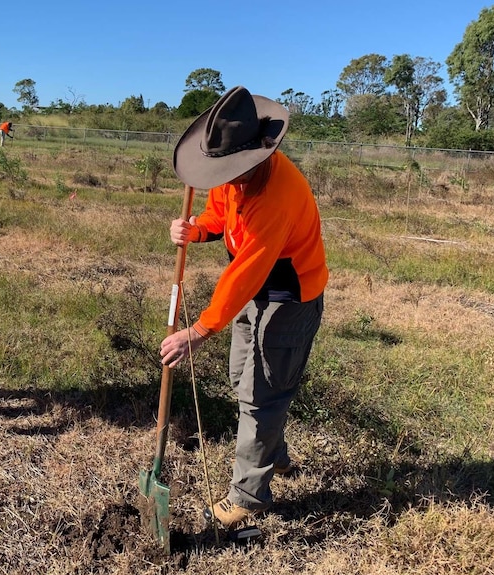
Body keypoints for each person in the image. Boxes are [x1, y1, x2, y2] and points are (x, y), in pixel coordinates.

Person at [159, 86, 328, 531]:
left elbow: (245, 273)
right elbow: (219, 218)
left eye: (233, 170)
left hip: (290, 296)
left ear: (257, 155)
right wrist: (194, 230)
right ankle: (273, 452)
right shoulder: (231, 178)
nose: (227, 179)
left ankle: (249, 496)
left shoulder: (276, 194)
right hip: (255, 291)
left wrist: (197, 332)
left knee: (261, 394)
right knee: (242, 375)